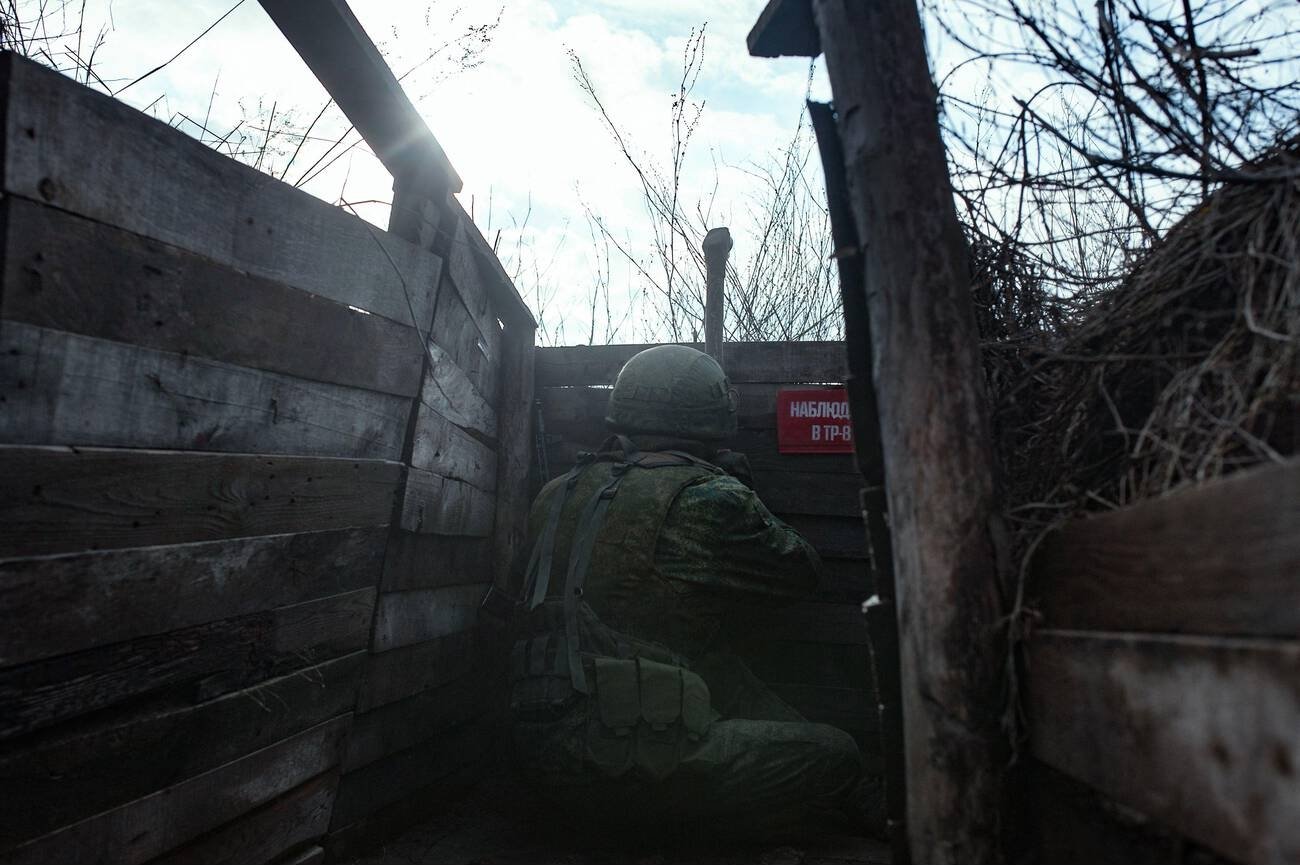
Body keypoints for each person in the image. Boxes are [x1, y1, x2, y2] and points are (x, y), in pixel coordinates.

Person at [505, 344, 878, 839]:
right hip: (619, 765)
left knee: (715, 663)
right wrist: (741, 488)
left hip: (532, 753)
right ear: (712, 418)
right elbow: (801, 572)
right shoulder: (709, 497)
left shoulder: (557, 492)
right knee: (838, 754)